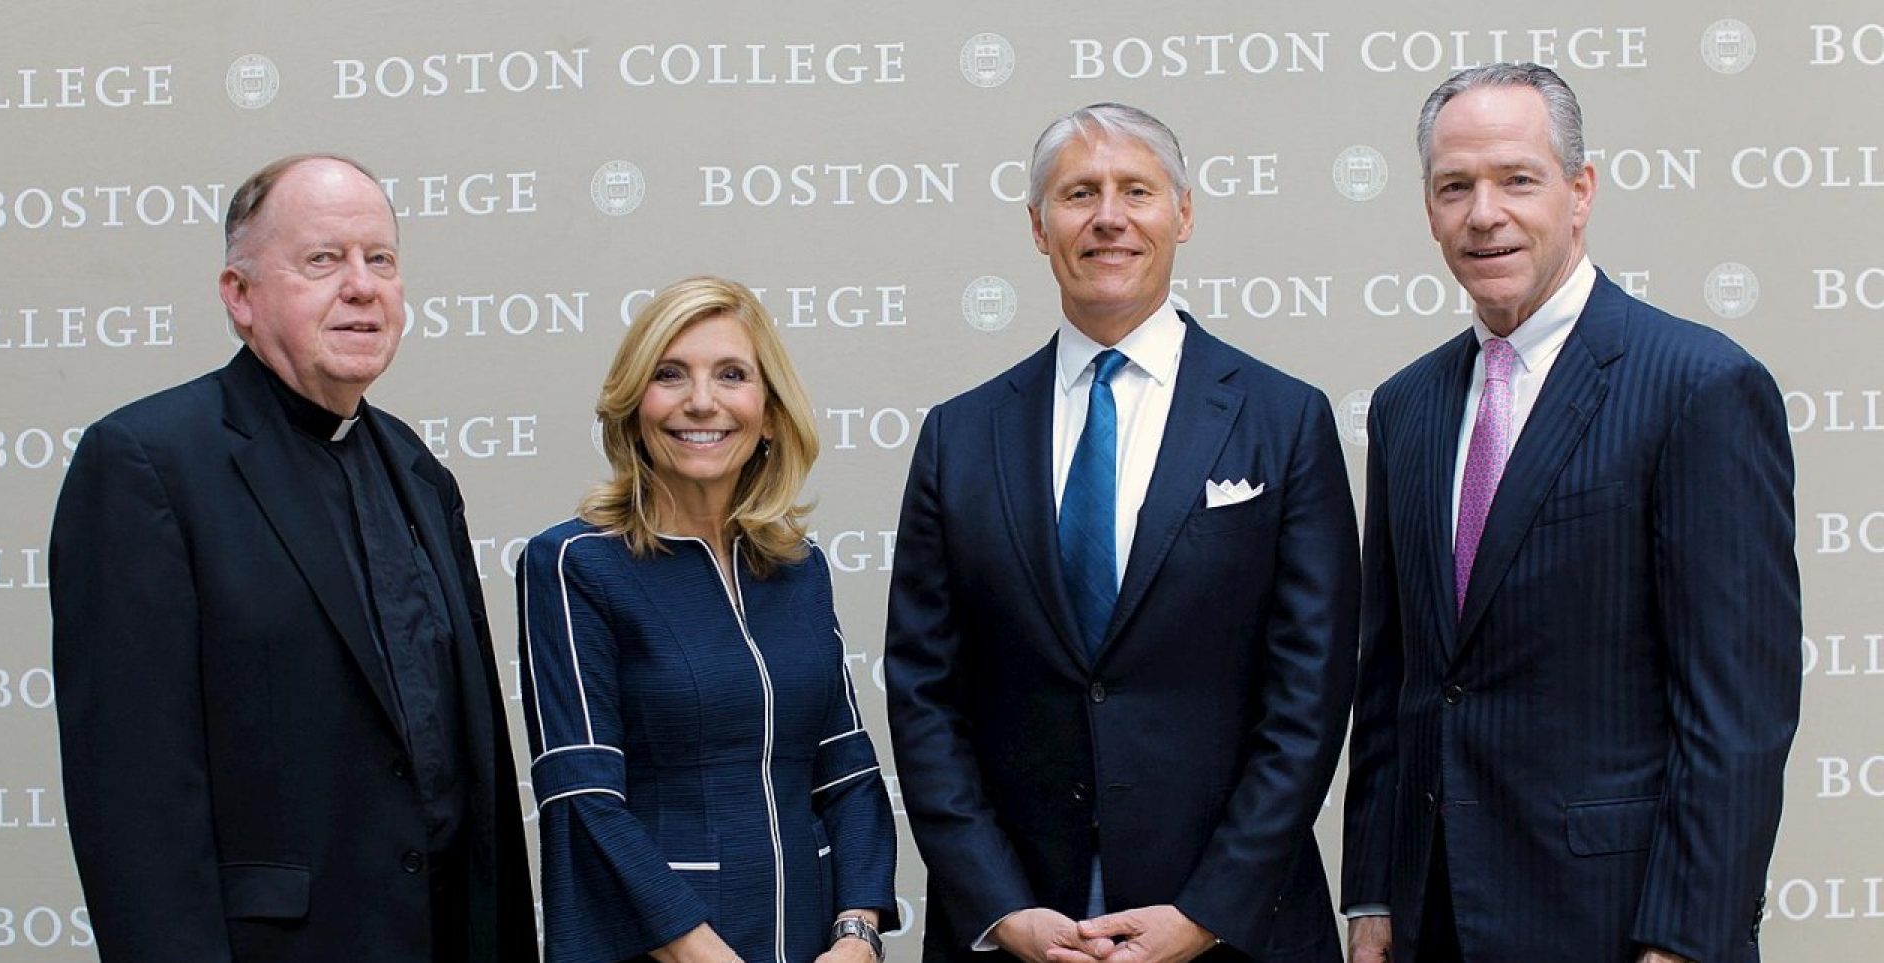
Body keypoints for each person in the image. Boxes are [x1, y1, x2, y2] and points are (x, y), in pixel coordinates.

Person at [1339, 63, 1801, 963]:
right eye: (1454, 187)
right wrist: (1371, 897)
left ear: (1579, 192)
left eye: (1517, 178)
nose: (1484, 213)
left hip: (1619, 923)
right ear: (1428, 209)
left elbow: (1737, 712)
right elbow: (1396, 681)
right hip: (1434, 921)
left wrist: (1683, 940)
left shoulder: (1699, 385)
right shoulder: (1407, 407)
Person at [885, 103, 1360, 963]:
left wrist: (1207, 908)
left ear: (1183, 213)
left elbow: (1311, 697)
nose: (1108, 216)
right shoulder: (961, 437)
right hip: (1023, 925)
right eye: (1079, 194)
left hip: (1231, 923)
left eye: (1136, 190)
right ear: (1038, 226)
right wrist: (997, 905)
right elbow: (924, 694)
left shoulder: (1283, 419)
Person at [50, 154, 536, 961]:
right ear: (239, 296)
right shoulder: (147, 464)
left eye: (380, 259)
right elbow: (132, 803)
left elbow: (470, 768)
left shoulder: (420, 472)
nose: (362, 285)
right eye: (323, 260)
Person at [516, 276, 897, 963]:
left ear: (770, 412)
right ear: (634, 406)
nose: (702, 400)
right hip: (667, 949)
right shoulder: (575, 563)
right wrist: (699, 952)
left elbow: (847, 775)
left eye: (731, 374)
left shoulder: (798, 568)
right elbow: (583, 799)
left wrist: (858, 931)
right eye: (670, 374)